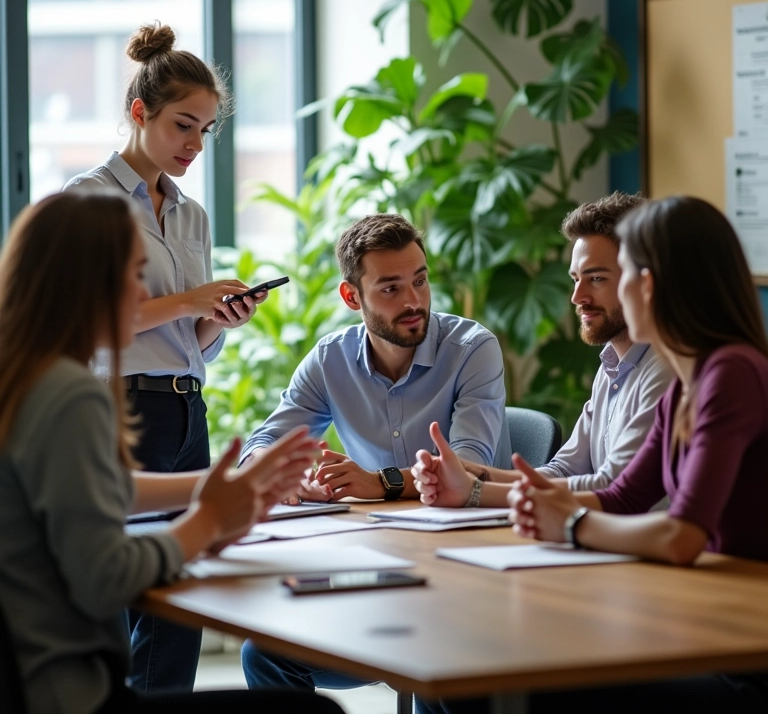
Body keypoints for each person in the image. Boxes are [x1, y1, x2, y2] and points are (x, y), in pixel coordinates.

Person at [0, 190, 343, 714]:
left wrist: (212, 488)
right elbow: (105, 576)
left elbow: (84, 492)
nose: (145, 296)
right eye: (135, 275)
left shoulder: (24, 377)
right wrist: (206, 523)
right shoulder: (71, 393)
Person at [504, 195, 768, 713]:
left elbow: (681, 536)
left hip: (746, 655)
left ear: (648, 284)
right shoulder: (686, 388)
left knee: (531, 687)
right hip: (707, 623)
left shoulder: (730, 374)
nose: (591, 294)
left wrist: (572, 525)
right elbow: (623, 496)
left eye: (616, 275)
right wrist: (544, 506)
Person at [239, 211, 508, 703]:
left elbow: (466, 466)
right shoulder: (330, 359)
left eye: (420, 281)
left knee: (437, 662)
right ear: (351, 297)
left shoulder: (472, 348)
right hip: (377, 574)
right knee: (264, 655)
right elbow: (259, 451)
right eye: (390, 288)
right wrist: (296, 478)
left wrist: (379, 482)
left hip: (468, 578)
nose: (413, 301)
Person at [64, 22, 260, 694]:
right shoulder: (87, 202)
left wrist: (215, 319)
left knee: (183, 592)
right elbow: (85, 326)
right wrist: (186, 304)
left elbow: (191, 341)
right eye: (184, 125)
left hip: (185, 406)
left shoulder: (192, 216)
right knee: (124, 585)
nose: (195, 145)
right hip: (121, 407)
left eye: (206, 131)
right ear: (138, 112)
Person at [412, 192, 673, 509]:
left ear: (644, 280)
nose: (577, 297)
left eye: (597, 279)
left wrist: (475, 491)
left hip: (639, 551)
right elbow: (564, 470)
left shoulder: (667, 369)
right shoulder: (613, 364)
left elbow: (613, 485)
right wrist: (469, 474)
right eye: (576, 279)